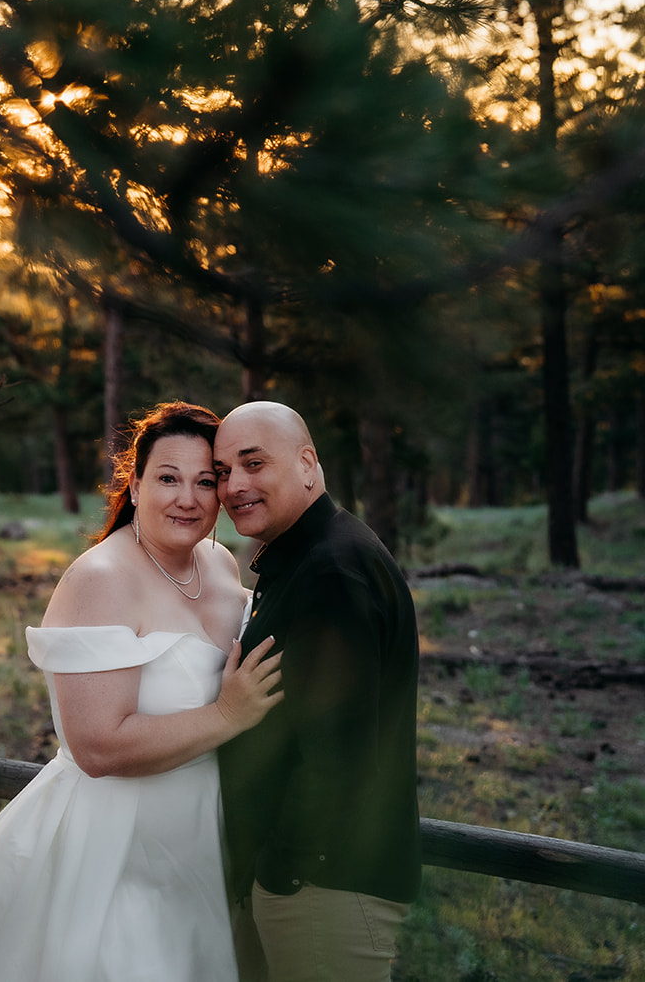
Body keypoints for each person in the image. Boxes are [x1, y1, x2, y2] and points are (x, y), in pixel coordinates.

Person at [0, 401, 283, 982]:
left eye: (206, 482)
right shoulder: (101, 579)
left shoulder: (219, 564)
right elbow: (97, 747)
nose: (188, 499)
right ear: (135, 481)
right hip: (115, 845)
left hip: (202, 838)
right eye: (168, 478)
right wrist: (228, 714)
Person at [212, 401, 421, 982]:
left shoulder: (330, 571)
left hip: (323, 886)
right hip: (308, 881)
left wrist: (284, 870)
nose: (234, 486)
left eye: (253, 464)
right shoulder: (311, 554)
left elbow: (341, 757)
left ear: (307, 464)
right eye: (224, 471)